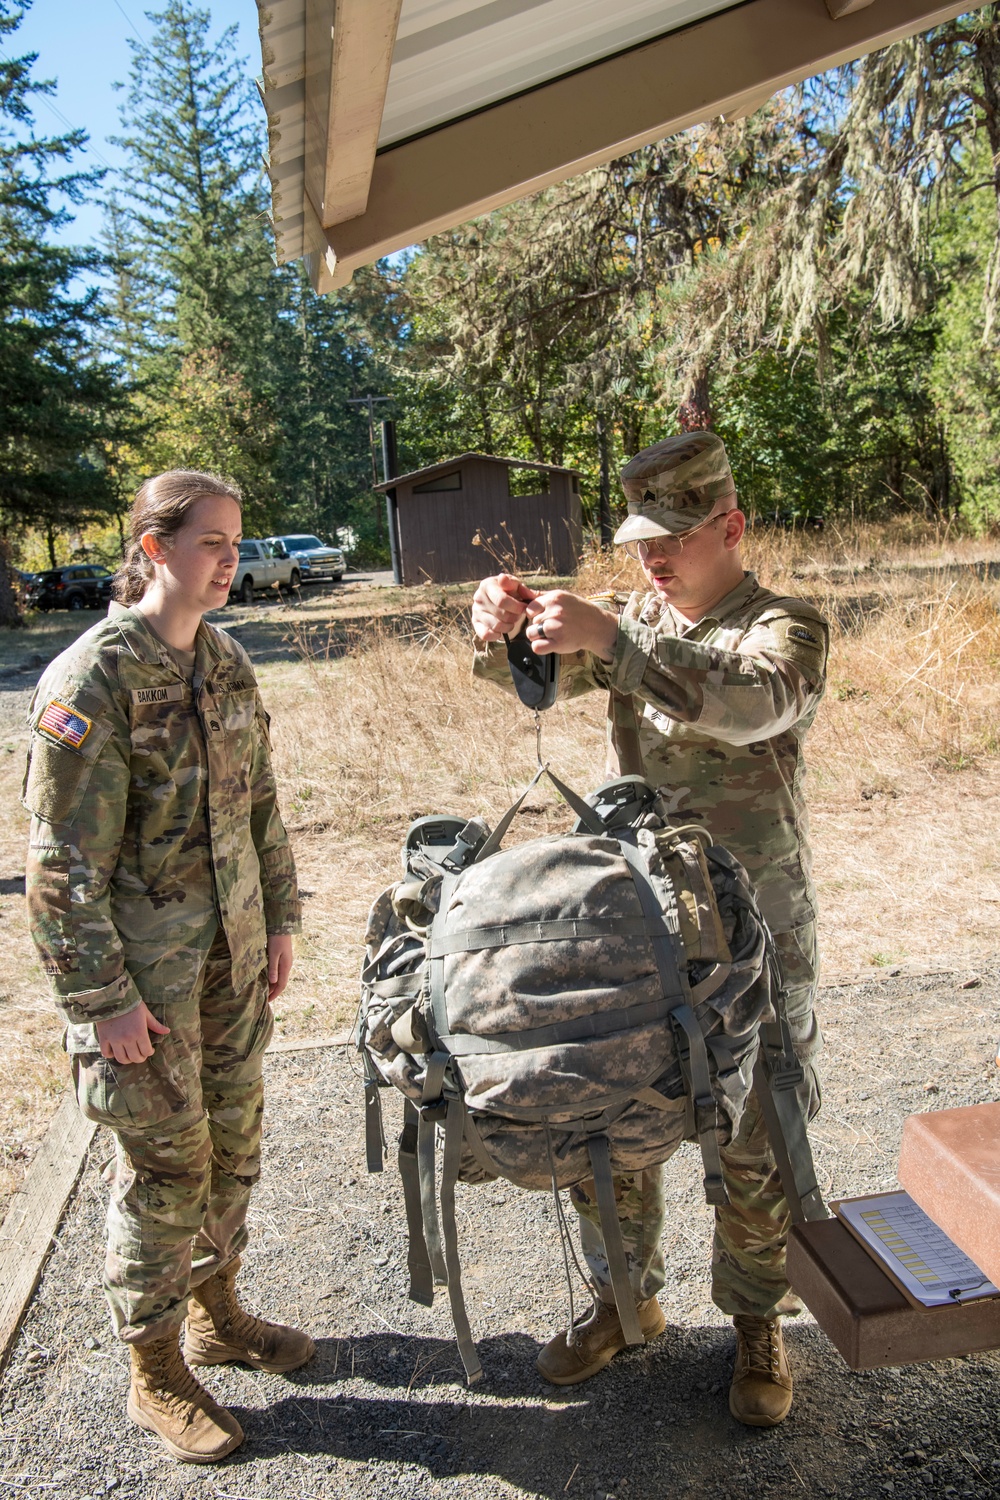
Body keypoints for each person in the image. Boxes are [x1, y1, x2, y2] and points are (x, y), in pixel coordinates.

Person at [471, 432, 828, 1427]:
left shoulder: (784, 627)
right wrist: (503, 627)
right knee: (609, 1115)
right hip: (642, 925)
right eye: (639, 541)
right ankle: (625, 1304)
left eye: (674, 537)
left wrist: (612, 639)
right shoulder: (626, 617)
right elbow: (527, 686)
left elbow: (749, 707)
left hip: (755, 930)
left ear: (731, 527)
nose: (653, 559)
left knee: (757, 1128)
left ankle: (757, 1326)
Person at [23, 470, 314, 1464]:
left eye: (237, 542)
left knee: (234, 1148)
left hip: (231, 966)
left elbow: (262, 807)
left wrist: (280, 920)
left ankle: (215, 1318)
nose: (229, 560)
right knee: (166, 1169)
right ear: (153, 548)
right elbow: (58, 866)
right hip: (144, 990)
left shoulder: (227, 664)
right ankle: (154, 1370)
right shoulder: (90, 682)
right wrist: (99, 1001)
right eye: (210, 543)